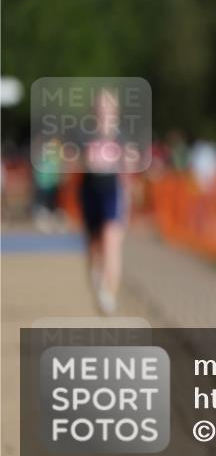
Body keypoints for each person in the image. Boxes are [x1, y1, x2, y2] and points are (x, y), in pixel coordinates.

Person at [78, 88, 132, 315]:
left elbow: (127, 176)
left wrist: (127, 206)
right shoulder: (84, 136)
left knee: (112, 241)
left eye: (108, 107)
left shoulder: (122, 139)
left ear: (115, 111)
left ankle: (109, 294)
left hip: (112, 191)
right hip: (90, 190)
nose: (103, 111)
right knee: (94, 246)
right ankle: (97, 281)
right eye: (100, 107)